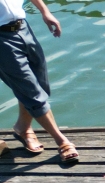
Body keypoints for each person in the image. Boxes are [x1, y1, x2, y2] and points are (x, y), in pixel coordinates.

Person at [0, 0, 77, 162]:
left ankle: (22, 127)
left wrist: (45, 11)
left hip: (23, 28)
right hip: (2, 40)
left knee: (40, 85)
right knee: (32, 93)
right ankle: (62, 141)